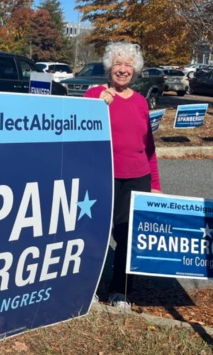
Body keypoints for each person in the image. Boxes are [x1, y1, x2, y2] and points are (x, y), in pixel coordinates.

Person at [84, 41, 162, 309]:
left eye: (128, 64)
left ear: (135, 70)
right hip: (102, 177)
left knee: (127, 237)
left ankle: (120, 292)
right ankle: (88, 288)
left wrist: (155, 184)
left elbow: (148, 147)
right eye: (118, 63)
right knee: (95, 234)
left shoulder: (141, 102)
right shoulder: (94, 95)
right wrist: (98, 106)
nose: (123, 69)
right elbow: (80, 131)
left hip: (137, 178)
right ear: (109, 67)